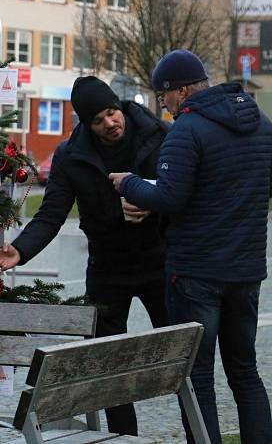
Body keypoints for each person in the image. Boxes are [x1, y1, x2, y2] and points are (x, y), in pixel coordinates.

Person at [0, 76, 170, 436]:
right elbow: (53, 212)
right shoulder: (72, 155)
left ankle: (198, 431)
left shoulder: (157, 134)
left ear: (120, 107)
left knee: (181, 355)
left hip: (159, 260)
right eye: (99, 120)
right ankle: (123, 439)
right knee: (107, 366)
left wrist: (153, 206)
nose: (110, 123)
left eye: (112, 113)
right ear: (87, 124)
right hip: (107, 268)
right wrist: (20, 249)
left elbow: (180, 190)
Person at [110, 50, 272, 444]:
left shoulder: (188, 129)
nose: (161, 104)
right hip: (246, 271)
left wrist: (128, 182)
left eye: (162, 95)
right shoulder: (261, 125)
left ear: (181, 91)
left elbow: (169, 197)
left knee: (196, 377)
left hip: (196, 273)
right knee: (245, 372)